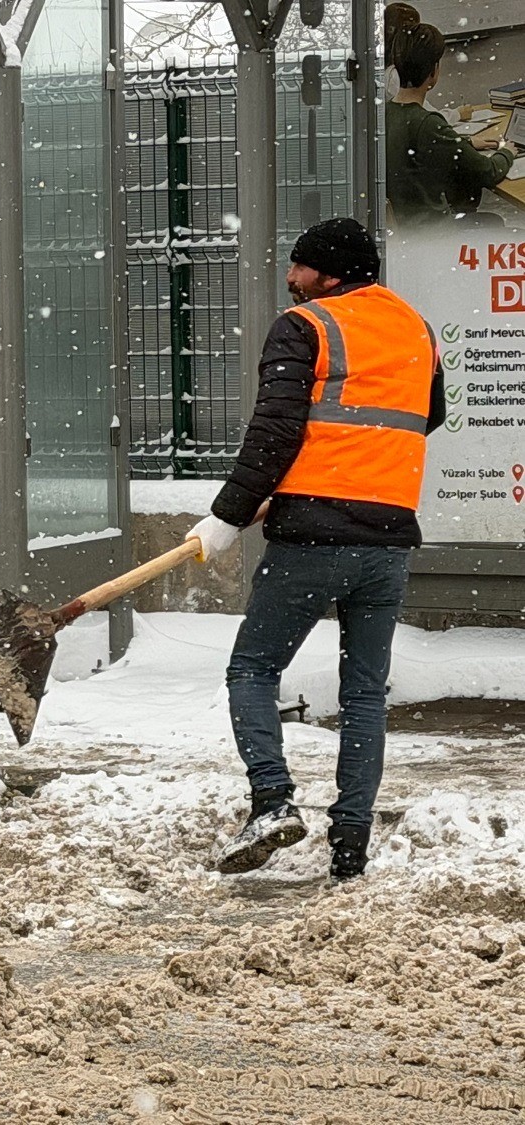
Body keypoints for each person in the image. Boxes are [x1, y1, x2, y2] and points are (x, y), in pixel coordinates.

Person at [186, 219, 444, 882]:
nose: (291, 280)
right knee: (364, 692)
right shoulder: (414, 327)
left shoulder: (306, 325)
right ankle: (349, 845)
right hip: (387, 539)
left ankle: (272, 801)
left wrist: (227, 515)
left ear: (326, 273)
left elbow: (273, 430)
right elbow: (426, 412)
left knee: (251, 670)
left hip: (314, 538)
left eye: (299, 268)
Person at [386, 23, 516, 226]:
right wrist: (508, 151)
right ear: (433, 71)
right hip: (436, 232)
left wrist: (466, 141)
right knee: (496, 225)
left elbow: (421, 144)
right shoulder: (428, 123)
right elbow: (488, 171)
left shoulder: (387, 113)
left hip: (408, 228)